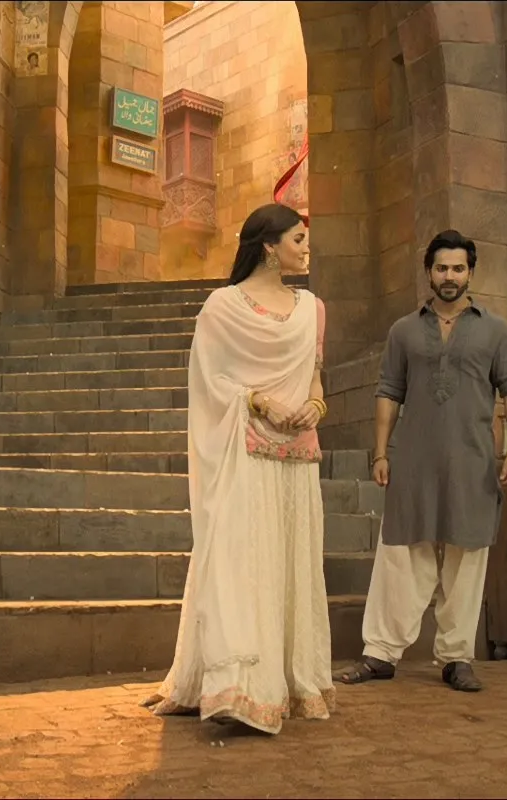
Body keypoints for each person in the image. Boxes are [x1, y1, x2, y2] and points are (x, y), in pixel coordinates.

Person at [142, 203, 334, 734]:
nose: (306, 248)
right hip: (242, 451)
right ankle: (238, 687)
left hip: (296, 457)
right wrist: (259, 400)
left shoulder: (312, 308)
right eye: (298, 239)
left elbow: (315, 378)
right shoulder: (222, 307)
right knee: (239, 560)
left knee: (288, 565)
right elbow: (209, 381)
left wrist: (315, 406)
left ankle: (290, 682)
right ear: (270, 246)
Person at [333, 230, 507, 693]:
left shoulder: (496, 330)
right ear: (429, 272)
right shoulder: (403, 330)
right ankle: (380, 653)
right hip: (413, 461)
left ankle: (457, 658)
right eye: (442, 268)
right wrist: (381, 452)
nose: (449, 276)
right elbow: (388, 391)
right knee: (400, 554)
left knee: (467, 558)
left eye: (458, 268)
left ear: (470, 272)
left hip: (472, 461)